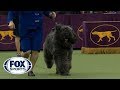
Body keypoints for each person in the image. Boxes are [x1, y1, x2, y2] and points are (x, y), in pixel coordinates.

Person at [8, 11, 56, 76]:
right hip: (25, 29)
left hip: (38, 29)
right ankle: (19, 60)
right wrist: (10, 21)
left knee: (35, 51)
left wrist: (50, 14)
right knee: (26, 52)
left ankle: (30, 70)